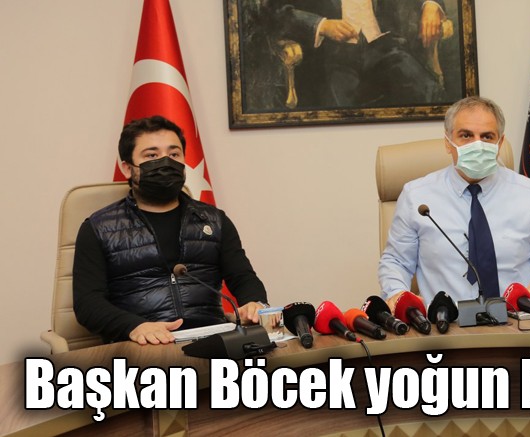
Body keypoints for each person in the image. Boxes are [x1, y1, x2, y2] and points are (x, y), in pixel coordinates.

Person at [73, 116, 269, 345]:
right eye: (151, 156)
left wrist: (255, 304)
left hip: (212, 338)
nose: (165, 162)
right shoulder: (98, 228)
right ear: (127, 168)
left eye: (174, 154)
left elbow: (243, 278)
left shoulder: (214, 221)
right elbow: (88, 303)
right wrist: (135, 326)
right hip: (141, 344)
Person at [379, 96, 530, 304]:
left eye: (487, 137)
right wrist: (397, 294)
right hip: (447, 319)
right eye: (466, 135)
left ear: (500, 143)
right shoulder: (416, 197)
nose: (477, 145)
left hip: (518, 317)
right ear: (448, 142)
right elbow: (396, 262)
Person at [259, 0, 447, 108]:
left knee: (426, 91)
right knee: (338, 115)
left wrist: (431, 5)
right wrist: (321, 25)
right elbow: (273, 11)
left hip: (384, 46)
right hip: (329, 55)